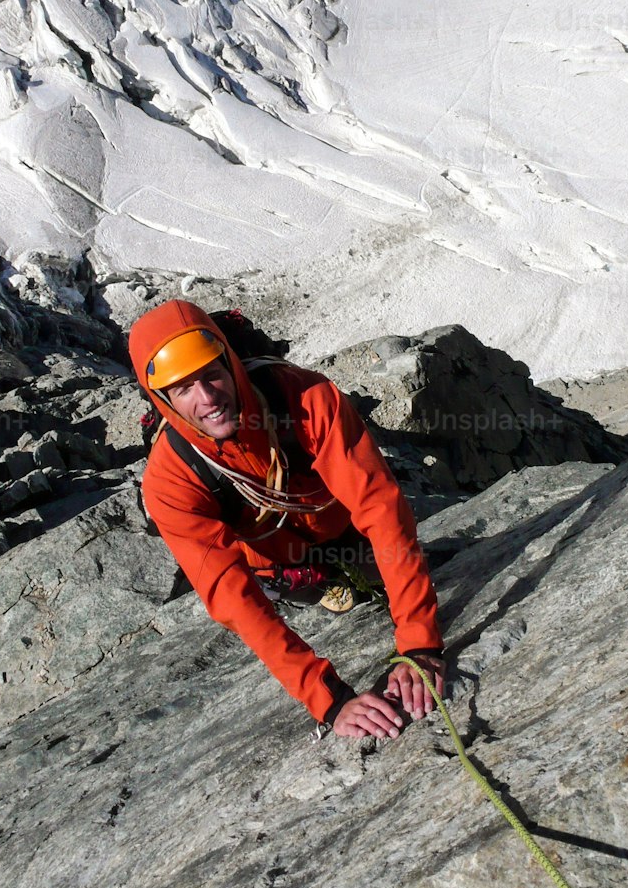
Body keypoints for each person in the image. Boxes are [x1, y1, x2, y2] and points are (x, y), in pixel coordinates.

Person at [129, 299, 446, 738]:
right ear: (161, 399)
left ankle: (351, 569)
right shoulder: (172, 481)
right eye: (184, 388)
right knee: (317, 578)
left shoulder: (306, 398)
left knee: (380, 556)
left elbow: (381, 509)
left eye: (212, 375)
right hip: (282, 562)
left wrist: (420, 642)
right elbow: (232, 595)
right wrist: (329, 700)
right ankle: (325, 578)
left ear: (230, 363)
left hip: (345, 529)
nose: (207, 399)